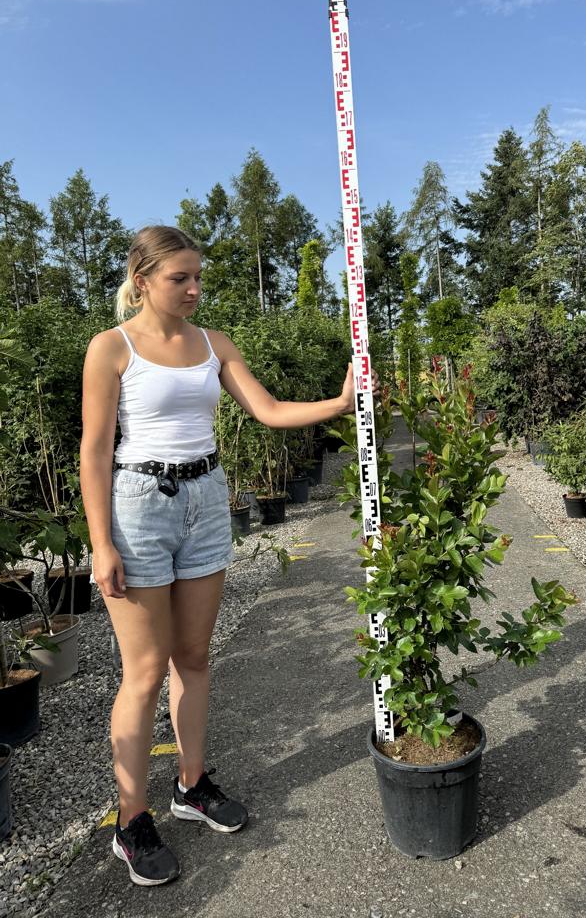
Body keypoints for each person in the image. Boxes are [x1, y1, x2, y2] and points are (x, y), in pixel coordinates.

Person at [80, 224, 373, 887]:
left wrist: (341, 400)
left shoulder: (214, 344)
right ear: (143, 278)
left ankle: (191, 784)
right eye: (179, 277)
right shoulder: (112, 348)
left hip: (208, 500)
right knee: (145, 670)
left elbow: (267, 410)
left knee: (193, 656)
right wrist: (100, 544)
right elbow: (94, 450)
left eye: (197, 276)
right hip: (138, 507)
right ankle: (132, 820)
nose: (193, 288)